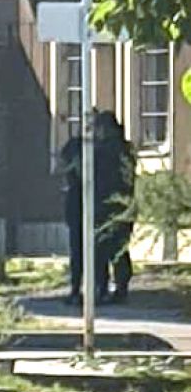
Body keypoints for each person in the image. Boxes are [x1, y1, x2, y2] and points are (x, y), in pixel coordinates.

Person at [61, 111, 136, 305]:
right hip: (115, 205)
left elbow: (90, 175)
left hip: (105, 205)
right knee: (113, 248)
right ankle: (111, 289)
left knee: (105, 249)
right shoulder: (116, 149)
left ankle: (103, 289)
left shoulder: (105, 151)